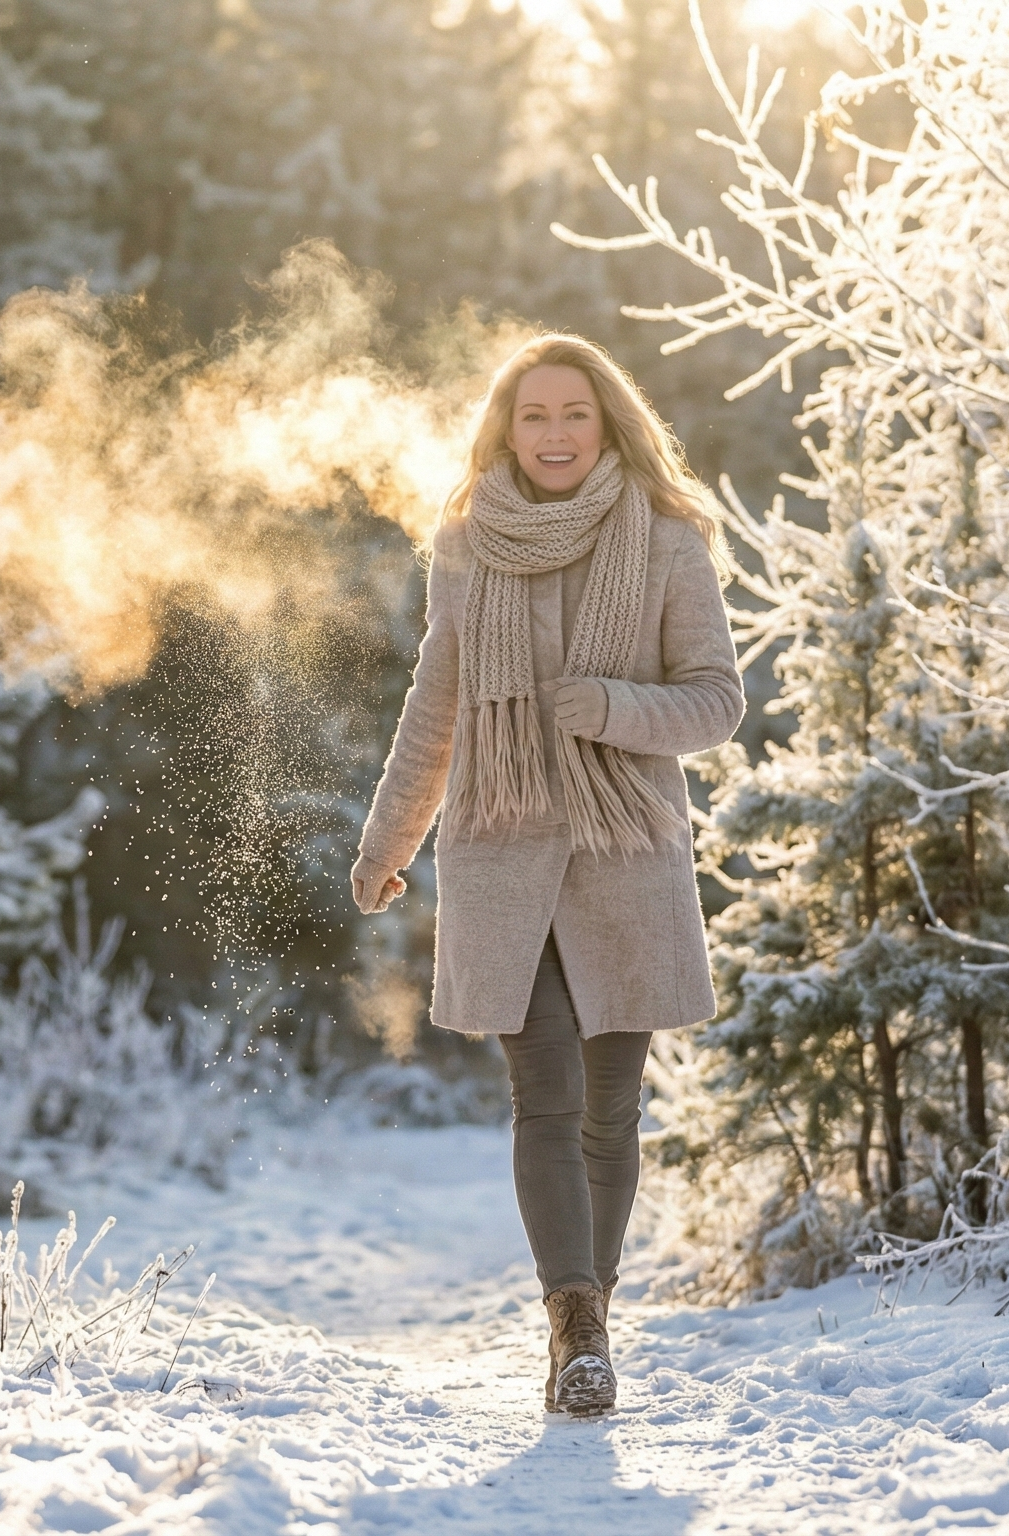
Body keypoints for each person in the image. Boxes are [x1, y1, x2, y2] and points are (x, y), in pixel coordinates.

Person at [350, 334, 743, 1418]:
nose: (555, 434)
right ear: (505, 430)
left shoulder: (664, 538)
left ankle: (591, 1326)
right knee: (545, 1093)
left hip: (625, 854)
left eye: (574, 413)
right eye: (534, 416)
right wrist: (387, 843)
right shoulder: (469, 543)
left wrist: (614, 708)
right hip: (502, 846)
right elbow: (434, 705)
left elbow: (716, 700)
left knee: (610, 1111)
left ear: (607, 422)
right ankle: (572, 1320)